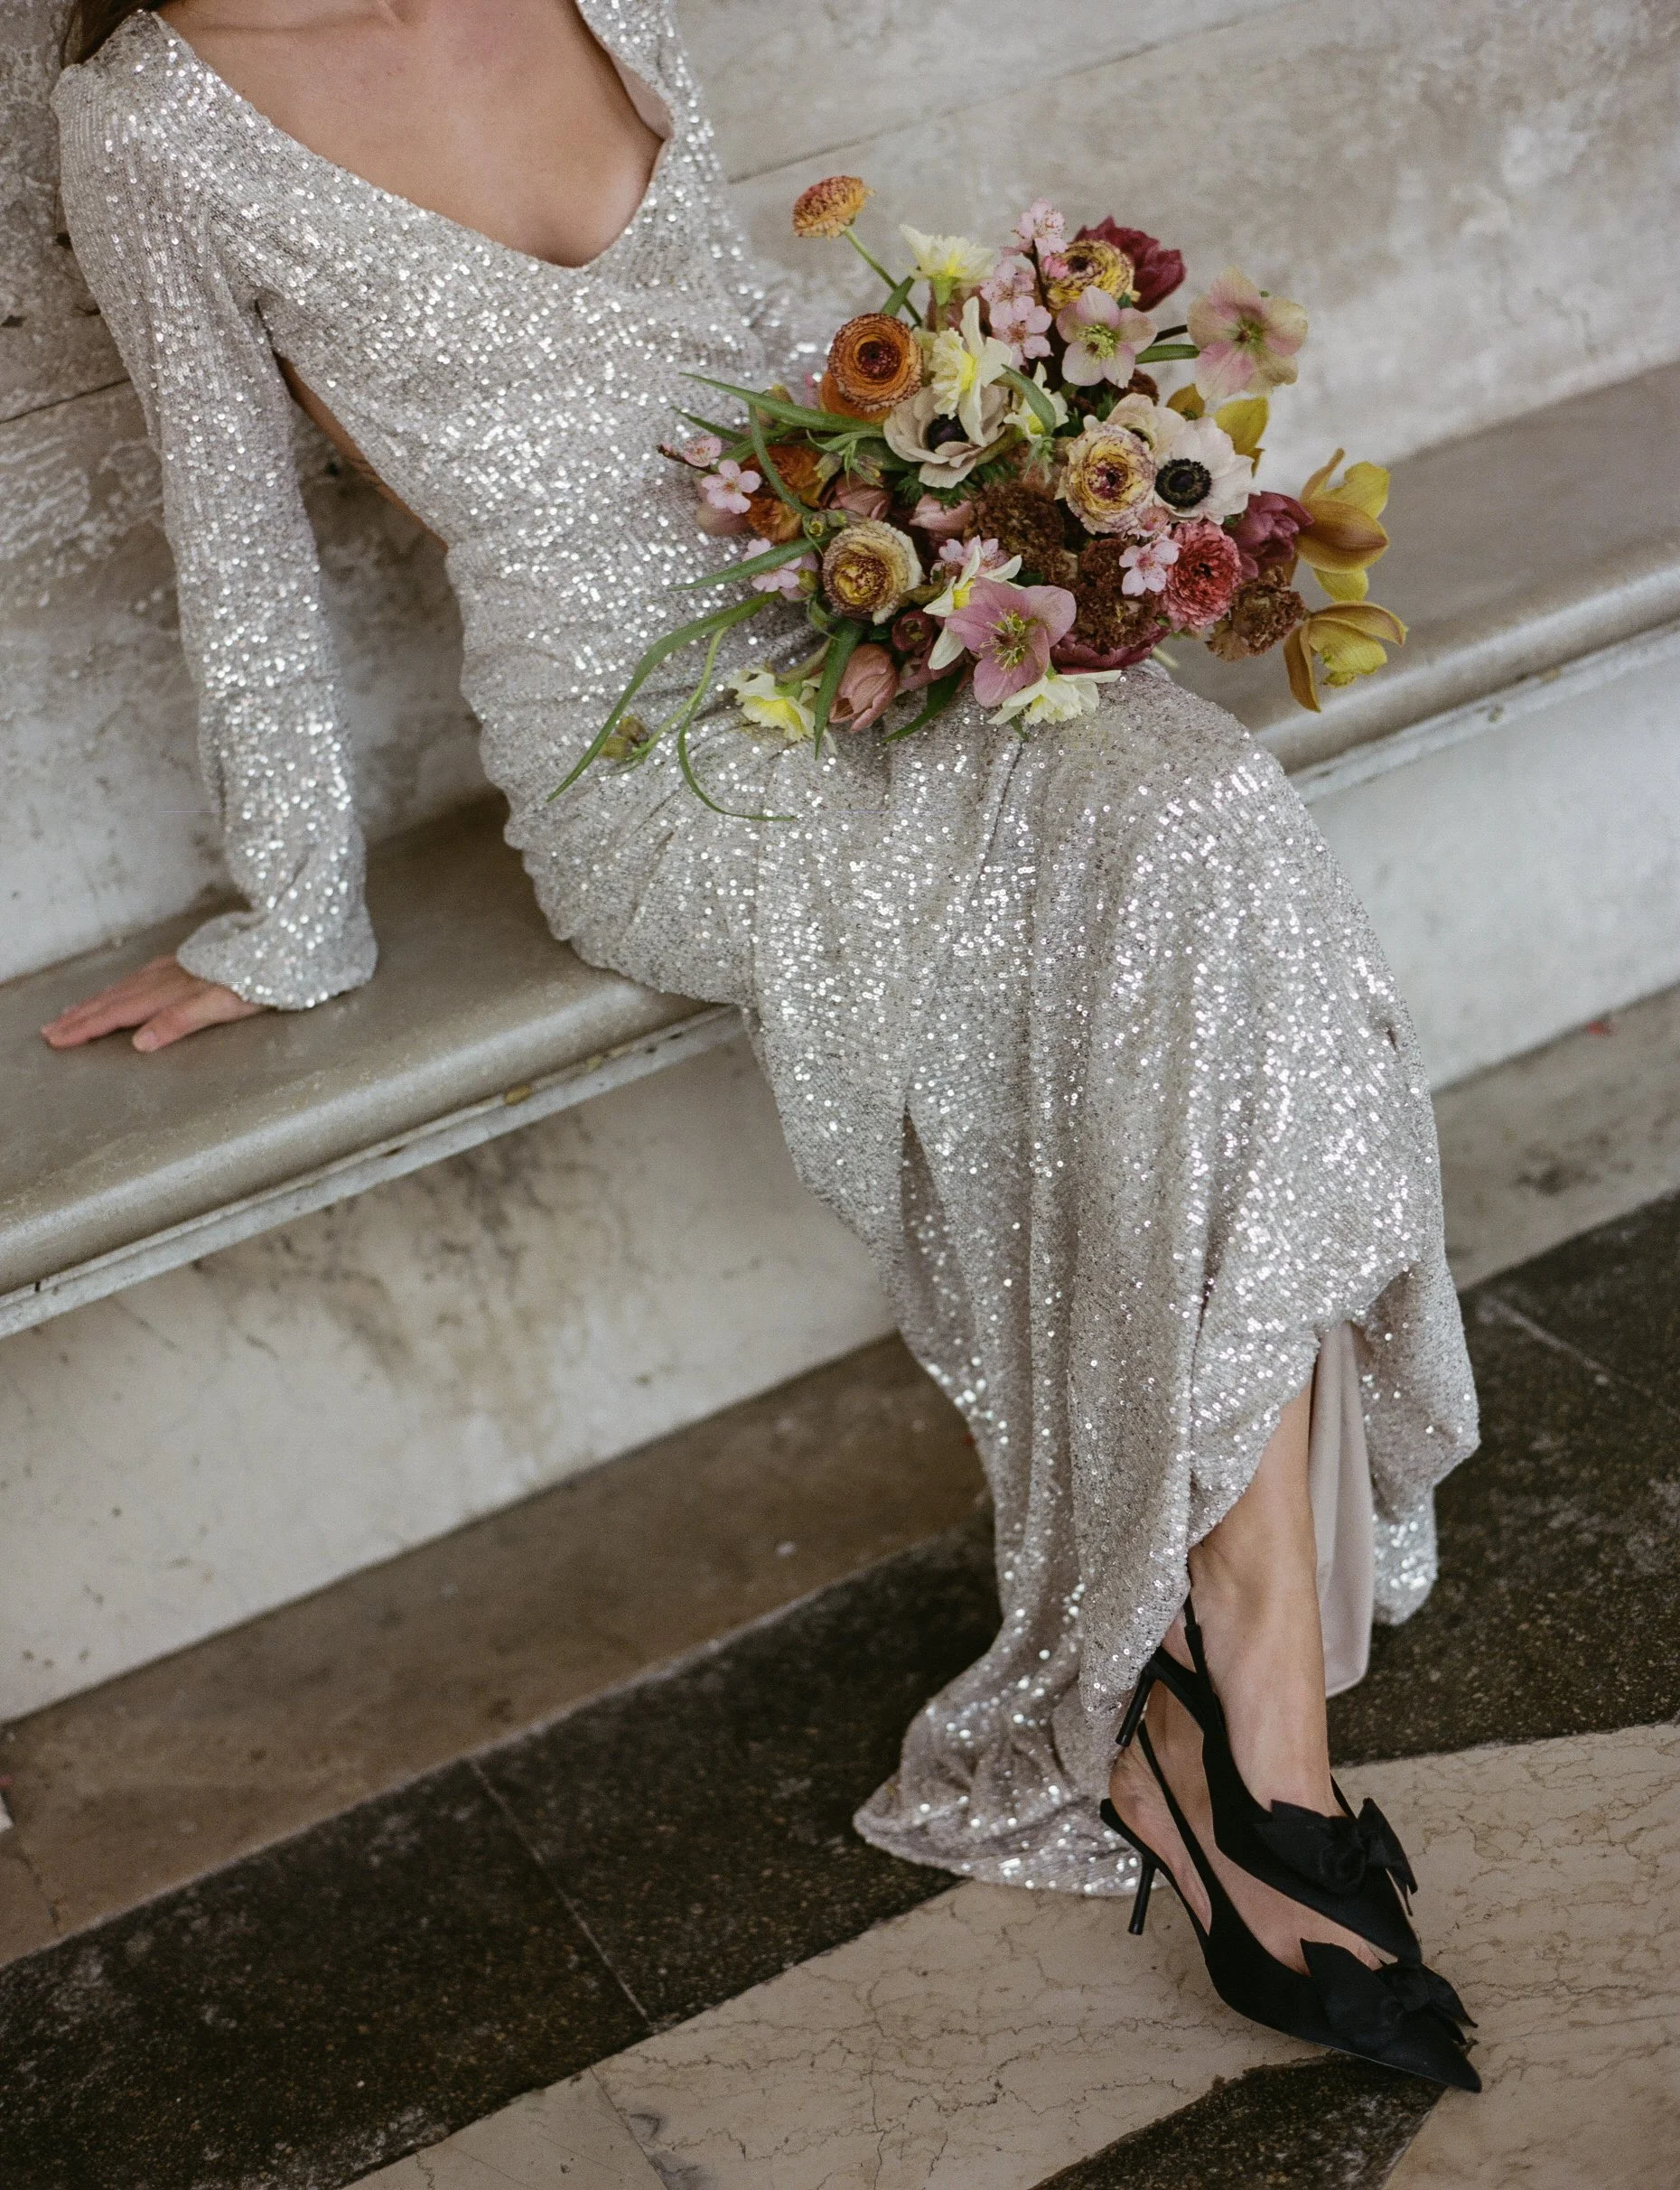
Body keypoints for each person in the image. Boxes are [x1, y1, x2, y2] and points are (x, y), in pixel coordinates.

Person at [42, 0, 1480, 2083]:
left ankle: (1228, 1695)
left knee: (1207, 826)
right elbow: (233, 531)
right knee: (1131, 920)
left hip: (877, 608)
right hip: (657, 753)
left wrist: (979, 516)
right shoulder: (152, 116)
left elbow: (741, 332)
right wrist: (292, 915)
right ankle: (1254, 1749)